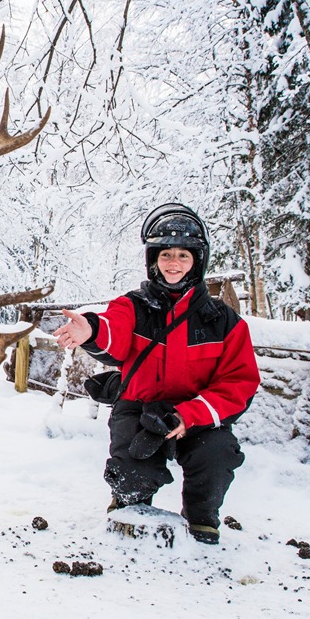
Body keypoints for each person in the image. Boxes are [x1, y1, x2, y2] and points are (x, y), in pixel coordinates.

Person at [52, 203, 260, 544]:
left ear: (197, 261)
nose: (173, 263)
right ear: (154, 260)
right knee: (133, 470)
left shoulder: (223, 321)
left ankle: (202, 522)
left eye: (182, 255)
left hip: (195, 414)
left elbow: (239, 381)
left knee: (217, 453)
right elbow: (114, 329)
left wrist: (188, 415)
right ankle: (128, 509)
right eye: (166, 255)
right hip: (140, 406)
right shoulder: (133, 306)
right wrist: (91, 329)